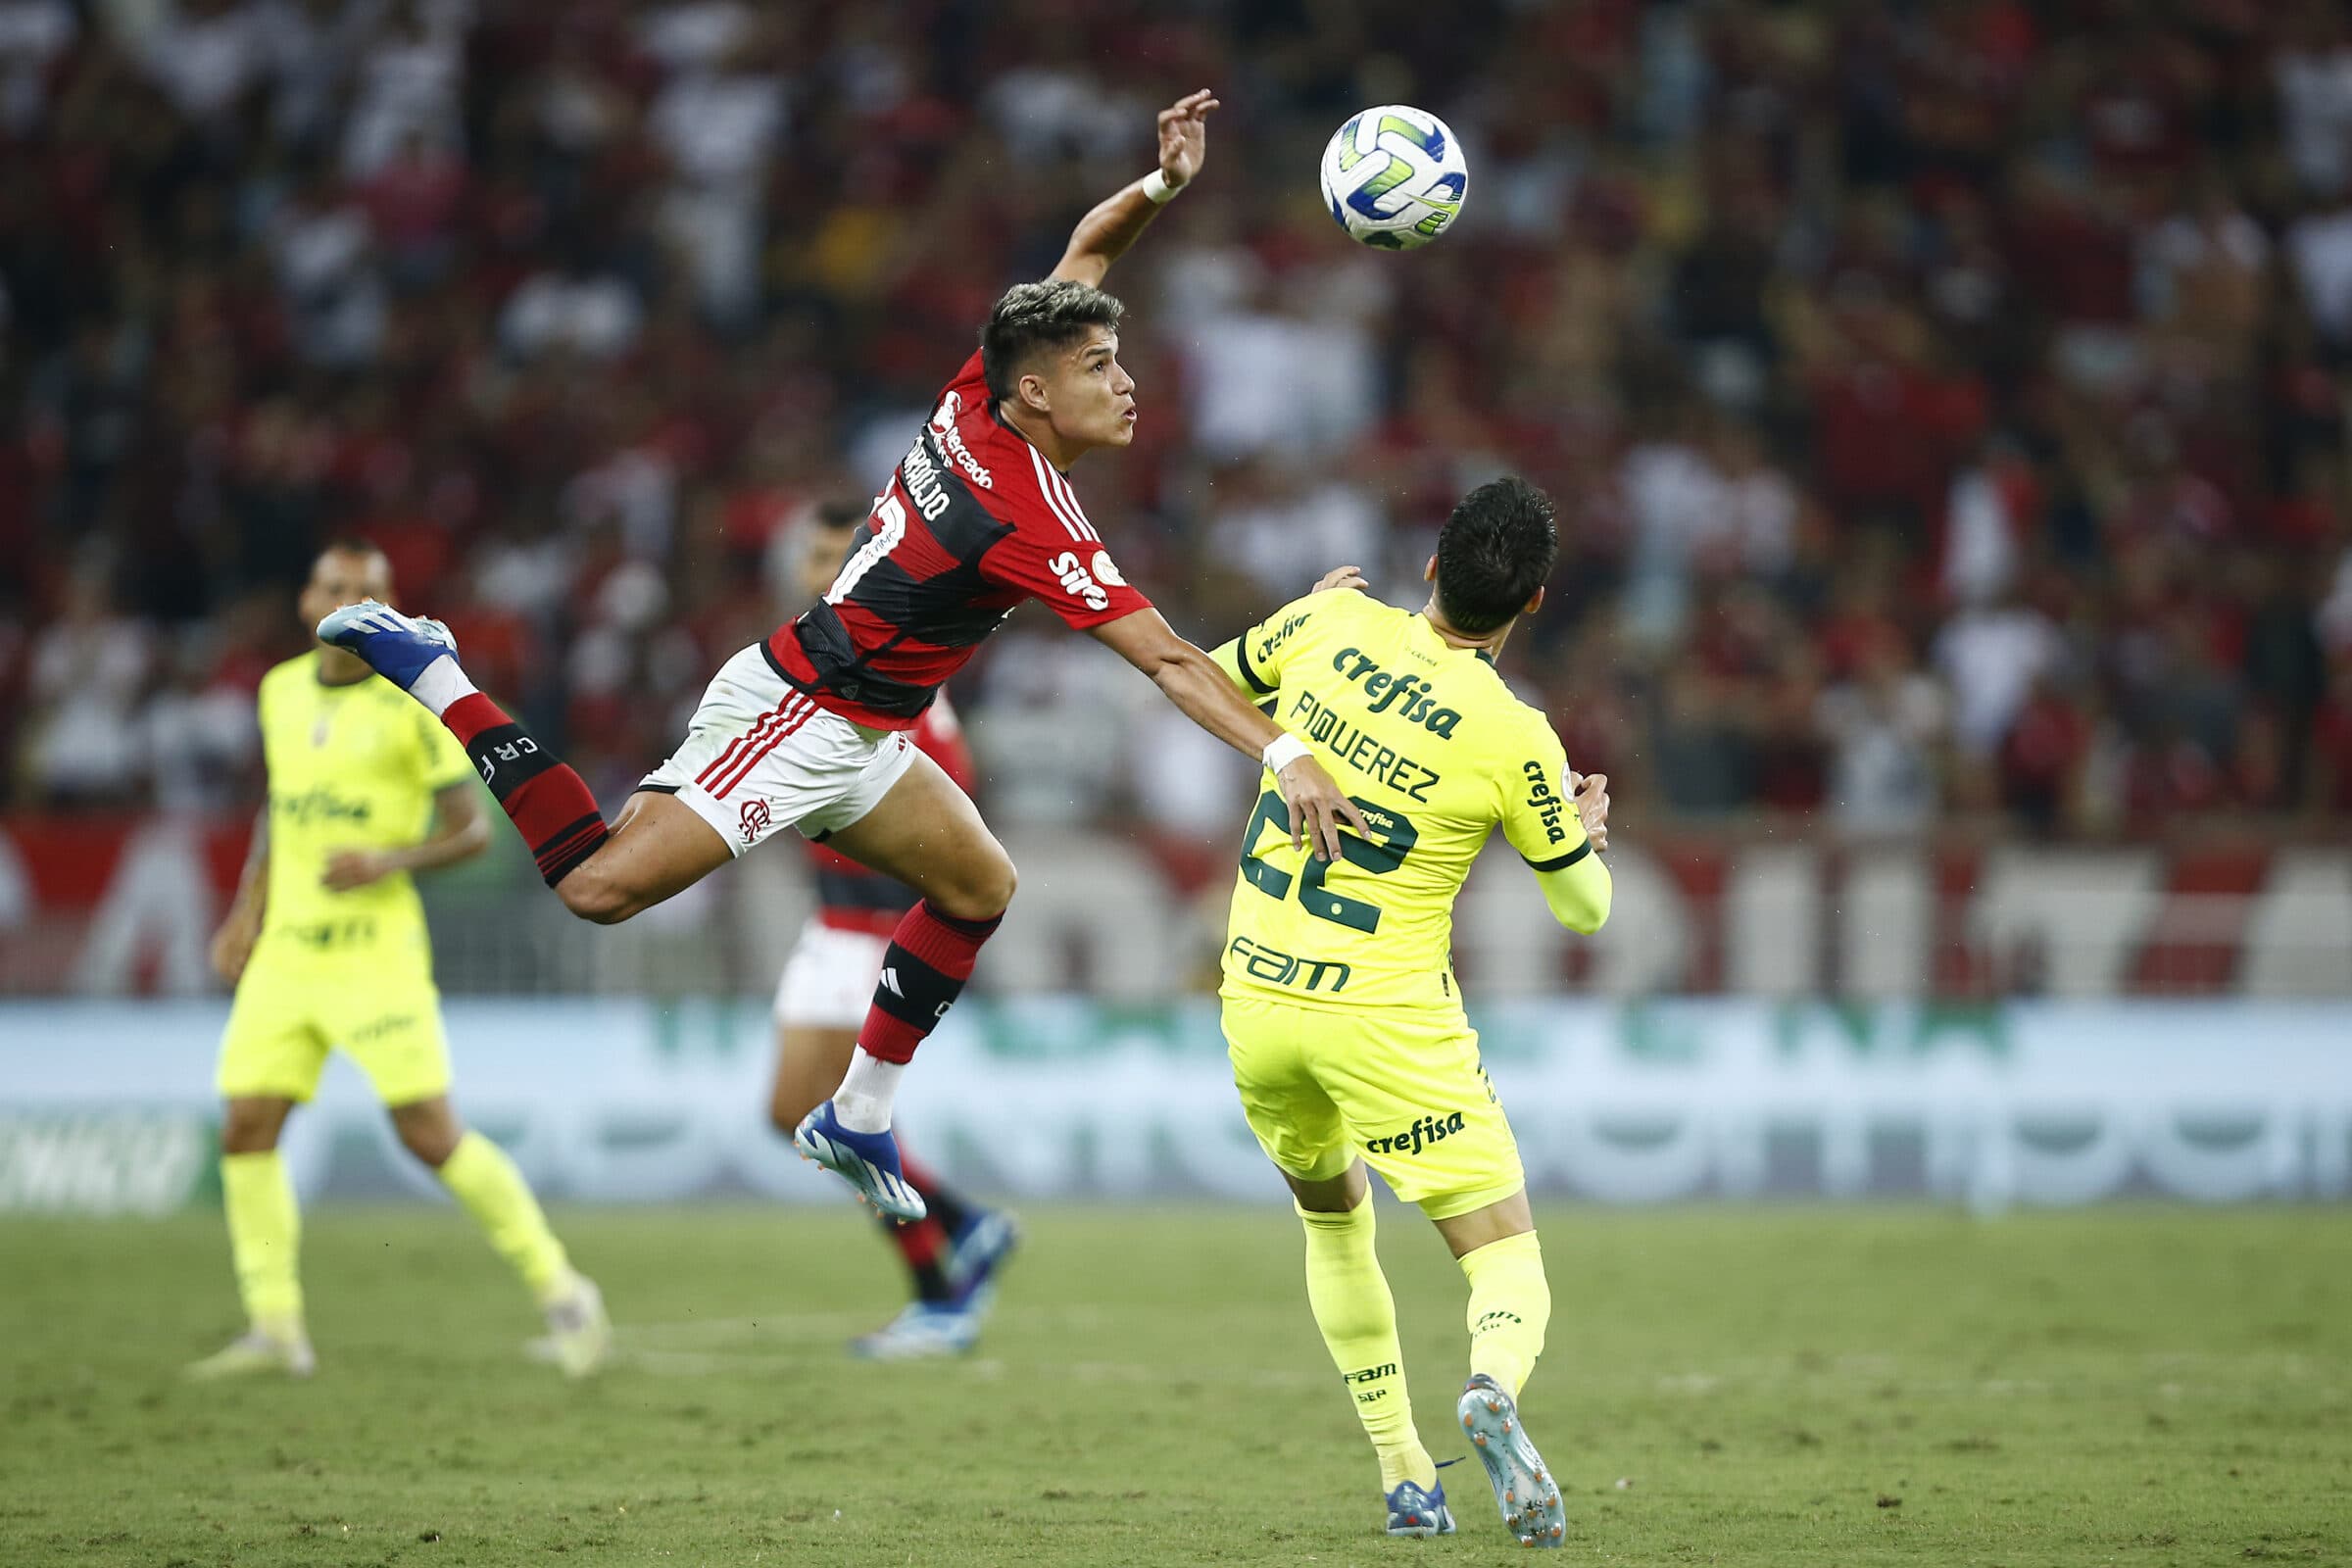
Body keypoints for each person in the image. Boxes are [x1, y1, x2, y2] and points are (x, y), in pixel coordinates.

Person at [318, 87, 1365, 1220]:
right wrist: (1285, 752)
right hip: (798, 710)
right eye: (1103, 368)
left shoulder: (982, 389)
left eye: (1117, 360)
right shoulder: (1023, 517)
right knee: (596, 885)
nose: (1127, 383)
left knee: (978, 885)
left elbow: (1085, 250)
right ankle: (437, 672)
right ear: (1037, 391)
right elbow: (1166, 660)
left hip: (872, 728)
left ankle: (858, 1114)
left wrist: (1162, 183)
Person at [1204, 478, 1613, 1546]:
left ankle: (1401, 1474)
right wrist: (1580, 826)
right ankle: (1488, 1387)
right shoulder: (1515, 733)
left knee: (1333, 1222)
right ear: (1533, 603)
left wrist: (1303, 651)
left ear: (1428, 564)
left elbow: (1202, 682)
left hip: (1257, 995)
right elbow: (1583, 909)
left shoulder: (1328, 617)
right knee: (1501, 1253)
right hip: (1386, 1019)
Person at [195, 541, 610, 1380]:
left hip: (374, 956)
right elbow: (281, 811)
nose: (345, 600)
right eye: (333, 586)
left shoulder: (410, 709)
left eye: (366, 592)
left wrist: (389, 861)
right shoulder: (277, 692)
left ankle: (565, 1291)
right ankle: (275, 1327)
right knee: (245, 1129)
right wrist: (247, 908)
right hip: (287, 955)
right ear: (309, 597)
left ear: (386, 609)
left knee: (428, 1137)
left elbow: (471, 829)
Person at [766, 501, 1017, 1358]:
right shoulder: (815, 654)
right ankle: (964, 1222)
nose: (822, 571)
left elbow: (941, 807)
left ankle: (939, 1290)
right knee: (788, 1112)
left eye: (841, 556)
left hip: (875, 929)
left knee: (840, 1118)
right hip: (826, 927)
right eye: (814, 555)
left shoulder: (903, 678)